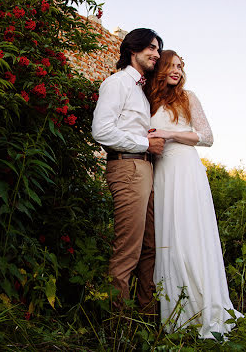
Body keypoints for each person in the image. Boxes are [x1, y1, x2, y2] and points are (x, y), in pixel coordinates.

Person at [145, 50, 242, 337]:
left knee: (189, 234)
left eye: (180, 66)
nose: (176, 71)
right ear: (160, 69)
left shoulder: (188, 98)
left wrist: (170, 134)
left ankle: (204, 307)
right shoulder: (149, 100)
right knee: (167, 236)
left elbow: (207, 137)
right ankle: (175, 315)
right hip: (161, 172)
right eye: (171, 66)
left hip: (186, 170)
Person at [91, 28, 165, 313]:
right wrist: (145, 142)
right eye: (151, 47)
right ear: (133, 50)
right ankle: (117, 325)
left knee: (149, 247)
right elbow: (102, 131)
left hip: (144, 168)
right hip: (127, 165)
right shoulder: (118, 83)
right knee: (128, 250)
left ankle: (146, 314)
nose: (156, 54)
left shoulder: (141, 92)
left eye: (158, 49)